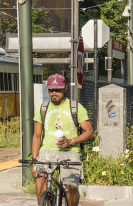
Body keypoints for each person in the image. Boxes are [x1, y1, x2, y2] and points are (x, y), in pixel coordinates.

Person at [31, 74, 94, 206]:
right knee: (41, 179)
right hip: (47, 150)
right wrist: (34, 162)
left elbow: (89, 132)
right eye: (51, 90)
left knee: (71, 187)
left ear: (65, 89)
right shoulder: (43, 108)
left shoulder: (75, 107)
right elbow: (37, 136)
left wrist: (70, 141)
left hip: (70, 151)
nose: (54, 93)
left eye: (58, 90)